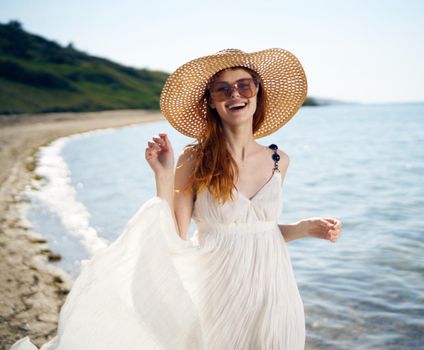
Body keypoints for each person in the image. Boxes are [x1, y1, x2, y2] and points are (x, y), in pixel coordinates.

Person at [10, 48, 342, 350]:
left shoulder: (279, 160)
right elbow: (174, 233)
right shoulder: (196, 158)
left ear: (258, 92)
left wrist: (301, 229)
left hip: (276, 291)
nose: (235, 94)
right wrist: (163, 175)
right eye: (223, 89)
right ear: (211, 101)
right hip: (221, 292)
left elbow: (258, 231)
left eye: (244, 85)